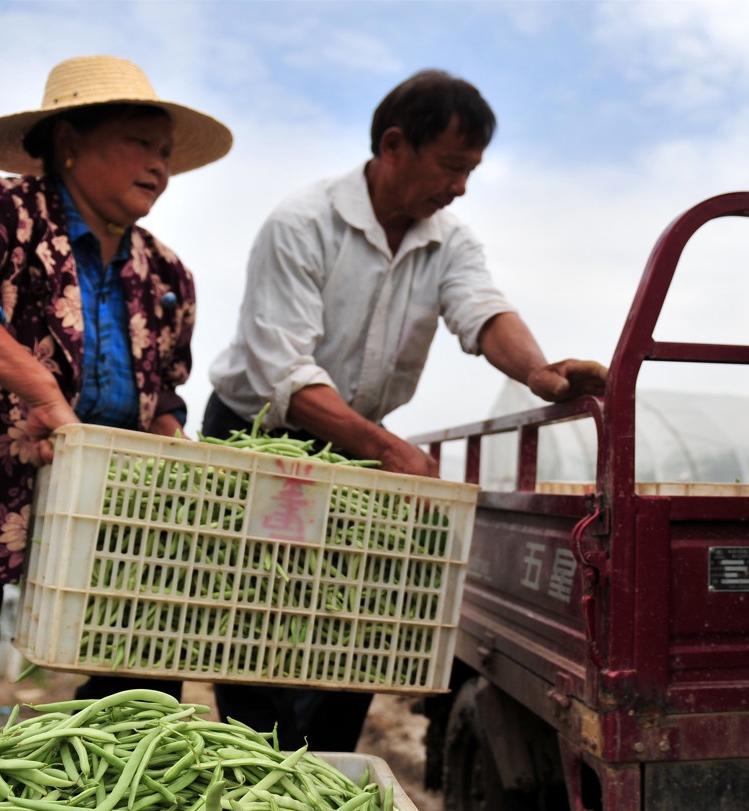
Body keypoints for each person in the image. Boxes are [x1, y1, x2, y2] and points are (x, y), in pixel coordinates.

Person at [203, 69, 607, 751]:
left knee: (354, 620)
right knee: (254, 617)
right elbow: (287, 378)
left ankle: (325, 775)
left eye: (472, 170)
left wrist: (539, 371)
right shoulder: (302, 224)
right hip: (261, 437)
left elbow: (482, 309)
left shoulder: (449, 240)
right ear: (394, 146)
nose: (460, 186)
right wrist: (389, 449)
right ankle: (254, 774)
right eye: (451, 166)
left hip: (349, 440)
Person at [0, 55, 232, 746]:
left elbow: (163, 391)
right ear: (69, 140)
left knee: (140, 693)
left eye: (165, 153)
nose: (159, 166)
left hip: (102, 507)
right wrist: (39, 388)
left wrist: (176, 451)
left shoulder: (164, 273)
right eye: (139, 142)